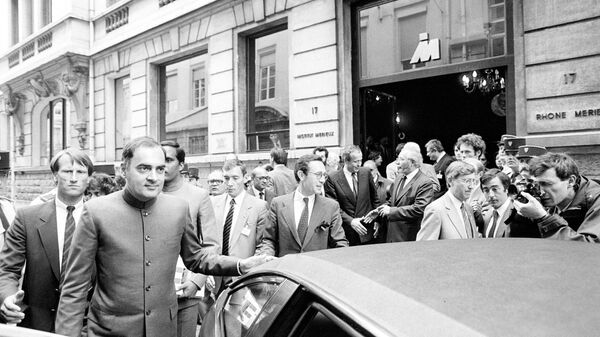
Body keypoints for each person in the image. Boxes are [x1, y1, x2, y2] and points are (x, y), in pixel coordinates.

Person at [54, 137, 272, 337]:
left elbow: (196, 257)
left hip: (164, 329)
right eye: (144, 168)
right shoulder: (95, 211)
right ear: (124, 170)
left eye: (160, 169)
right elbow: (75, 287)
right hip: (109, 330)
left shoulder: (178, 208)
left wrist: (242, 265)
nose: (153, 177)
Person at [0, 149, 93, 332]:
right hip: (37, 323)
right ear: (54, 176)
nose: (73, 178)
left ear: (89, 177)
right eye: (67, 171)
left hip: (87, 324)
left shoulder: (101, 218)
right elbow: (8, 269)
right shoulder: (27, 218)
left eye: (81, 172)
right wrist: (8, 298)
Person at [160, 140, 218, 337]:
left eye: (168, 160)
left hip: (185, 292)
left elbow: (211, 244)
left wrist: (197, 281)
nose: (163, 165)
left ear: (181, 165)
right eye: (159, 160)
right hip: (152, 293)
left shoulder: (198, 195)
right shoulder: (149, 193)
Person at [258, 154, 347, 256]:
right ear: (301, 175)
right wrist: (267, 257)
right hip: (286, 269)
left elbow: (340, 243)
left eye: (324, 175)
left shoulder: (331, 207)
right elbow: (268, 240)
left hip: (316, 269)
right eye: (318, 175)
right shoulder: (278, 204)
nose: (322, 180)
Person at [509, 153, 600, 242]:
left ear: (571, 181)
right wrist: (521, 220)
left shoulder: (596, 200)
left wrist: (543, 218)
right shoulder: (553, 198)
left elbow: (590, 246)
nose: (541, 192)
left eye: (546, 184)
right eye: (536, 184)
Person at [209, 159, 269, 295]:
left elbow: (263, 244)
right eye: (226, 178)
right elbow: (206, 240)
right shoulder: (213, 203)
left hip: (242, 279)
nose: (230, 183)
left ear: (245, 178)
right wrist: (205, 274)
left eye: (235, 178)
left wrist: (250, 272)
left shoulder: (259, 206)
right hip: (214, 277)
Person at [325, 145, 380, 245]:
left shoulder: (366, 172)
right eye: (355, 161)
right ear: (346, 161)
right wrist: (350, 221)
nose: (359, 164)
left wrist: (377, 220)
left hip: (367, 230)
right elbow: (333, 207)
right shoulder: (333, 178)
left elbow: (374, 198)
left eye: (361, 160)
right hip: (347, 233)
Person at [377, 149, 435, 242]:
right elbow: (393, 200)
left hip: (409, 236)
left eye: (401, 159)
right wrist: (381, 209)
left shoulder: (424, 182)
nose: (397, 163)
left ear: (412, 162)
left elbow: (419, 209)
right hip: (392, 235)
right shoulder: (399, 177)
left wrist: (391, 211)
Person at [417, 161, 479, 240]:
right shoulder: (436, 210)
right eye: (466, 181)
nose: (471, 186)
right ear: (450, 181)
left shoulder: (468, 208)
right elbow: (425, 247)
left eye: (473, 181)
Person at [480, 169, 513, 238]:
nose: (491, 195)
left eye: (495, 189)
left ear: (506, 189)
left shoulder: (517, 214)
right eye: (486, 190)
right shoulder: (487, 215)